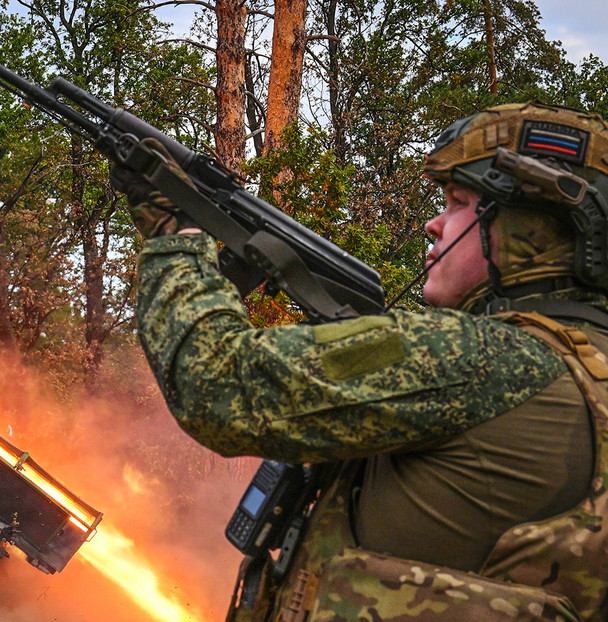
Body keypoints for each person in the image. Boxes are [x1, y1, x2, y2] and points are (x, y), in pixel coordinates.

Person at [119, 102, 608, 620]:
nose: (434, 225)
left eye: (459, 203)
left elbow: (216, 381)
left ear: (532, 229)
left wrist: (174, 231)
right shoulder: (585, 370)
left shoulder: (485, 359)